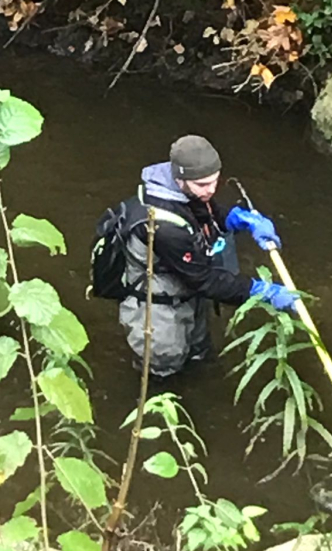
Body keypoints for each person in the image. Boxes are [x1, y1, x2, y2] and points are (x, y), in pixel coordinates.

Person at [116, 134, 300, 377]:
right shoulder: (164, 226)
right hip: (159, 310)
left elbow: (204, 211)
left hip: (187, 293)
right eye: (203, 185)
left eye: (215, 182)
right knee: (163, 367)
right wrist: (260, 291)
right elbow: (205, 279)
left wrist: (236, 218)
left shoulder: (187, 191)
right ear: (179, 179)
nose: (211, 190)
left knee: (199, 355)